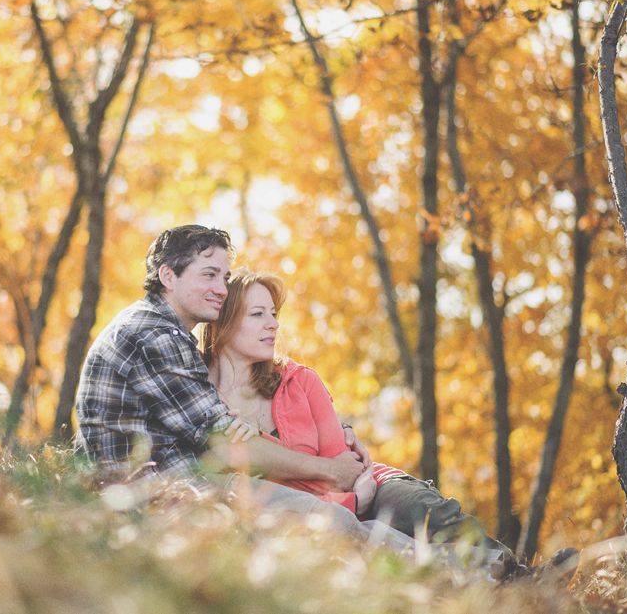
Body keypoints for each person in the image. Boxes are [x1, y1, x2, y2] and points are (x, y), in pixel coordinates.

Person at [73, 225, 411, 549]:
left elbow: (214, 433)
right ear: (168, 276)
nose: (221, 288)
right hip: (156, 495)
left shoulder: (161, 330)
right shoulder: (157, 336)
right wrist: (331, 470)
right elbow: (226, 444)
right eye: (209, 274)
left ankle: (443, 558)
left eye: (224, 277)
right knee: (329, 520)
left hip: (169, 486)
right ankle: (444, 563)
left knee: (335, 520)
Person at [197, 269, 547, 576]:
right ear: (223, 323)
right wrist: (349, 507)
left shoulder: (300, 380)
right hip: (320, 514)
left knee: (421, 511)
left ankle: (523, 575)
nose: (273, 323)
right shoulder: (201, 403)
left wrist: (353, 499)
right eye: (257, 314)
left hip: (368, 485)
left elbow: (346, 469)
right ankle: (500, 579)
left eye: (273, 313)